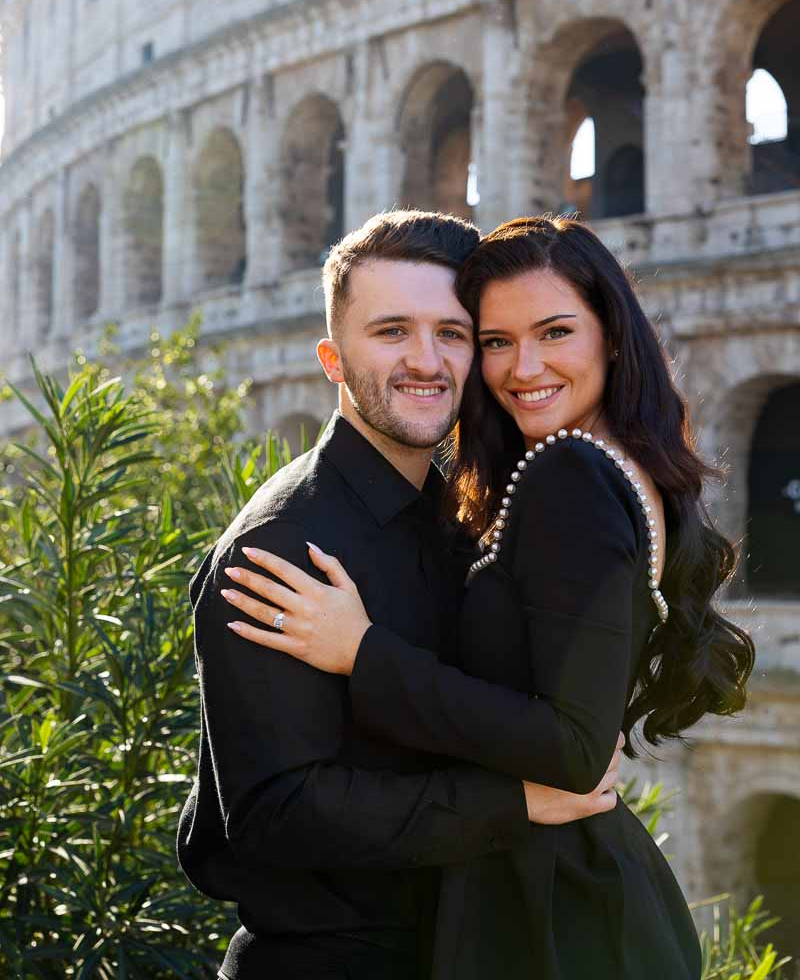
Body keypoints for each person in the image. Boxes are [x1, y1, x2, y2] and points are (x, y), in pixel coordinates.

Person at [223, 214, 755, 980]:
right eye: (498, 341)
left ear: (611, 335)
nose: (521, 367)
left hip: (548, 905)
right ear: (334, 360)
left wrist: (363, 652)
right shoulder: (622, 465)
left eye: (554, 332)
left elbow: (574, 752)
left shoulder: (567, 474)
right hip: (564, 889)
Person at [177, 211, 623, 980]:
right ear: (332, 358)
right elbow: (273, 816)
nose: (427, 361)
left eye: (452, 334)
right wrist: (513, 802)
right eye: (391, 332)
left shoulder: (461, 516)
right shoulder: (280, 546)